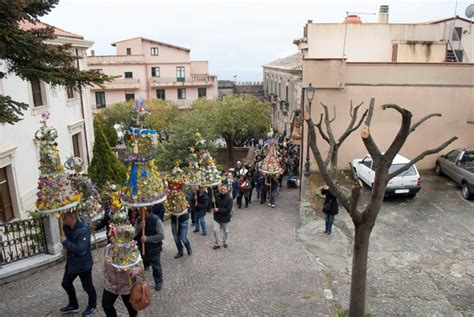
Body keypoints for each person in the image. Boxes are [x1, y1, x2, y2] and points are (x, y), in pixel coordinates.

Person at [59, 211, 97, 317]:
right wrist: (64, 247)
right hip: (72, 262)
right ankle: (74, 305)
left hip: (83, 264)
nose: (63, 219)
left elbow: (81, 249)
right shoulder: (66, 227)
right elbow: (68, 242)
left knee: (88, 287)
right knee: (66, 283)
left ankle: (92, 305)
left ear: (72, 217)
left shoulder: (83, 230)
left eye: (64, 217)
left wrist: (66, 242)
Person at [102, 242, 143, 317]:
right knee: (106, 305)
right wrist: (106, 277)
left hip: (126, 286)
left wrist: (133, 271)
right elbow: (105, 265)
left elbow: (140, 268)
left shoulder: (132, 248)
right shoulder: (108, 248)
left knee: (131, 309)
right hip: (111, 285)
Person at [135, 207, 165, 291]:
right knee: (141, 266)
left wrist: (148, 239)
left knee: (156, 266)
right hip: (141, 248)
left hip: (153, 249)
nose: (139, 213)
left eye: (141, 211)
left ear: (147, 212)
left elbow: (161, 235)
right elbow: (133, 234)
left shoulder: (156, 220)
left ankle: (159, 281)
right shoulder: (139, 219)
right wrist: (139, 227)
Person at [212, 184, 233, 250]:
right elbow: (213, 206)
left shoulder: (229, 199)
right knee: (215, 230)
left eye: (224, 189)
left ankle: (225, 242)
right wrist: (212, 202)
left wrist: (218, 209)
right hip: (217, 217)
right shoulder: (217, 196)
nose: (223, 190)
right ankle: (217, 243)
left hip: (225, 218)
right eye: (222, 189)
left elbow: (228, 210)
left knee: (225, 231)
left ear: (227, 190)